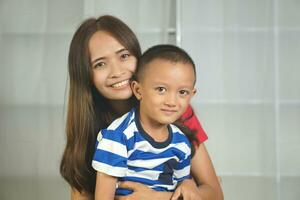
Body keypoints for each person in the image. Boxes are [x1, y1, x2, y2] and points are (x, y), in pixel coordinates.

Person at [60, 15, 223, 200]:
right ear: (85, 75)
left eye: (124, 56)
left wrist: (158, 196)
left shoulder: (174, 111)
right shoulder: (93, 130)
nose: (117, 72)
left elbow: (215, 193)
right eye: (100, 64)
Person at [92, 44, 198, 199]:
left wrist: (188, 184)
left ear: (191, 95)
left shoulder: (181, 143)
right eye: (161, 89)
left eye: (182, 92)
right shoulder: (118, 136)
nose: (171, 101)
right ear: (138, 90)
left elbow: (182, 189)